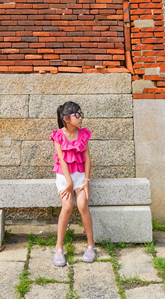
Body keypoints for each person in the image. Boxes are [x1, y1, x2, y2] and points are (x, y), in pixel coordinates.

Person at [51, 100, 96, 266]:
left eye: (81, 114)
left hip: (80, 176)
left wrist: (86, 181)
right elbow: (62, 160)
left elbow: (88, 159)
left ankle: (91, 245)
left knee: (82, 204)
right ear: (66, 119)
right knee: (68, 206)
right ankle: (58, 247)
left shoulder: (83, 134)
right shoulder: (58, 135)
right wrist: (69, 183)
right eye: (76, 115)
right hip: (64, 176)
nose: (80, 118)